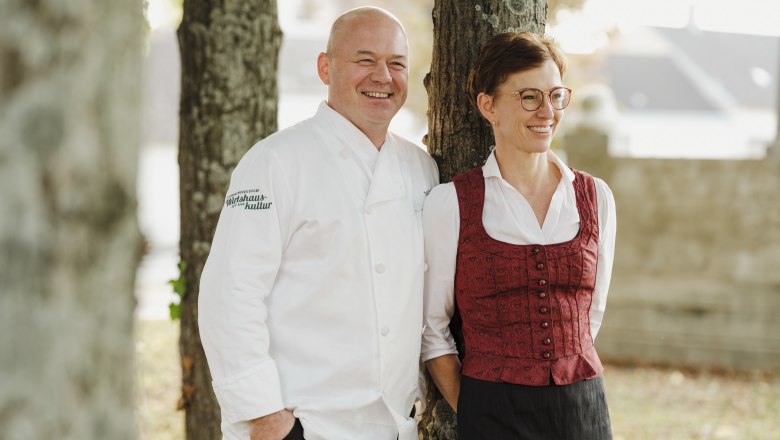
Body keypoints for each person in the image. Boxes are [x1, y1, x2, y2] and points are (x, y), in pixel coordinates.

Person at [198, 7, 438, 440]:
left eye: (396, 62)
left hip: (398, 426)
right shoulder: (274, 162)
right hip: (303, 424)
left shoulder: (422, 170)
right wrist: (267, 416)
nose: (382, 76)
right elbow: (230, 295)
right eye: (364, 60)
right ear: (325, 68)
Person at [421, 32, 616, 439]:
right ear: (488, 105)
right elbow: (432, 329)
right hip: (491, 414)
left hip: (582, 410)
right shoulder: (452, 204)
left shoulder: (595, 197)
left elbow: (589, 314)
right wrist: (474, 410)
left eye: (556, 95)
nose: (547, 111)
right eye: (529, 96)